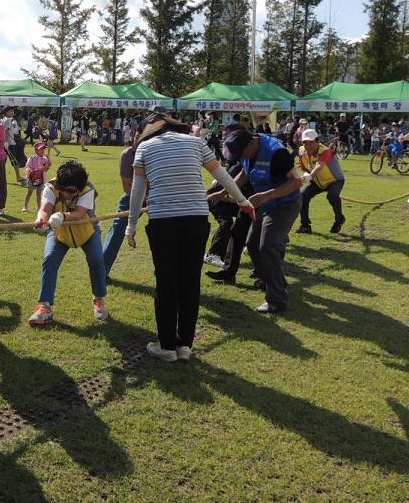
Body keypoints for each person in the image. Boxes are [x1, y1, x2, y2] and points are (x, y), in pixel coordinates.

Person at [124, 114, 253, 361]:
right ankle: (184, 346)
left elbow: (137, 190)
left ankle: (166, 346)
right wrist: (242, 200)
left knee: (166, 282)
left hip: (163, 221)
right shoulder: (196, 142)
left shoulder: (144, 148)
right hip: (196, 218)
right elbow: (223, 175)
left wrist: (131, 225)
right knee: (190, 281)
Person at [222, 128, 302, 313]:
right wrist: (224, 191)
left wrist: (267, 195)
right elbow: (244, 173)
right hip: (267, 204)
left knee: (268, 246)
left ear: (251, 143)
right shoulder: (246, 150)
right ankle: (273, 281)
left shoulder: (276, 152)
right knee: (252, 243)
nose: (241, 158)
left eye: (241, 154)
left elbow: (296, 182)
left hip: (286, 204)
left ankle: (276, 300)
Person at [27, 161, 109, 326]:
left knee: (96, 261)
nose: (65, 193)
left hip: (87, 232)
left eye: (70, 190)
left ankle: (99, 299)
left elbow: (78, 214)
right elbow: (45, 208)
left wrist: (62, 215)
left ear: (79, 187)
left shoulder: (88, 189)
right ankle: (45, 307)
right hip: (60, 232)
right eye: (62, 188)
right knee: (49, 259)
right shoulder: (51, 187)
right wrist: (41, 219)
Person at [101, 130, 139, 280]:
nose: (139, 139)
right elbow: (127, 187)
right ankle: (101, 272)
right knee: (117, 229)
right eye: (137, 135)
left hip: (155, 197)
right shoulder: (127, 155)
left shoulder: (156, 151)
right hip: (132, 196)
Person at [295, 129, 346, 234]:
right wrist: (305, 175)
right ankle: (305, 226)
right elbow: (305, 168)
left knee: (332, 195)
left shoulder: (325, 151)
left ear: (317, 141)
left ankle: (339, 219)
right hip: (317, 182)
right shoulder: (301, 151)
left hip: (334, 181)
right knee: (302, 196)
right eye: (305, 143)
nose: (308, 146)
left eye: (310, 143)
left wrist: (309, 177)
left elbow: (319, 166)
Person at [22, 142, 51, 213]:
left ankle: (39, 207)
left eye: (43, 149)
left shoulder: (44, 159)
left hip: (41, 179)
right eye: (40, 149)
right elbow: (28, 166)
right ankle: (25, 207)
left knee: (39, 193)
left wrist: (48, 159)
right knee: (30, 192)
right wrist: (29, 170)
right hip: (32, 178)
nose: (43, 150)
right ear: (36, 150)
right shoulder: (32, 158)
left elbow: (48, 167)